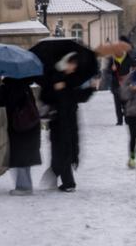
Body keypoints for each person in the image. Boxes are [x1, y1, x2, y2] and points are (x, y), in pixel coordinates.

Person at [41, 53, 97, 192]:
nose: (74, 67)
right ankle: (63, 180)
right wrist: (55, 88)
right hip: (58, 120)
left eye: (75, 65)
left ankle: (67, 182)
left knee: (65, 150)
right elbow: (45, 96)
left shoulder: (71, 80)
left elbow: (78, 96)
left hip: (69, 120)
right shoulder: (54, 77)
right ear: (65, 63)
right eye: (72, 64)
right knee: (60, 151)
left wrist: (91, 89)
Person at [0, 73, 42, 195]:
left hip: (19, 127)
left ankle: (23, 187)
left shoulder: (11, 86)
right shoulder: (24, 85)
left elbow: (0, 101)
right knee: (25, 157)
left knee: (20, 156)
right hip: (30, 125)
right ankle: (26, 185)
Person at [109, 36, 136, 125]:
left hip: (126, 84)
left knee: (126, 103)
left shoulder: (128, 58)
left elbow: (134, 68)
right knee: (117, 103)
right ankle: (119, 120)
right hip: (116, 84)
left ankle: (127, 118)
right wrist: (111, 69)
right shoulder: (112, 59)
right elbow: (107, 71)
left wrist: (129, 75)